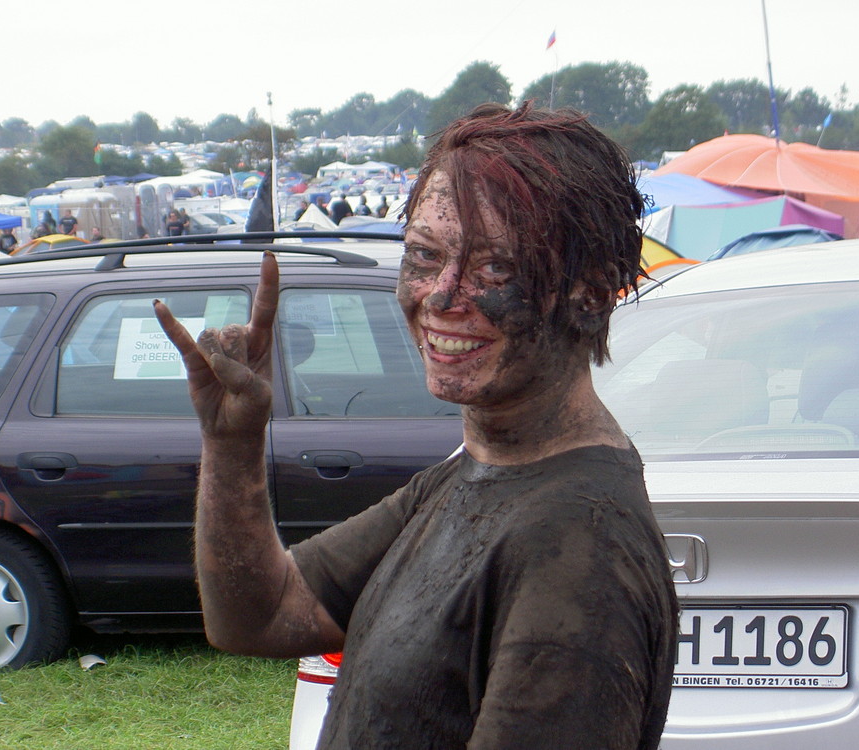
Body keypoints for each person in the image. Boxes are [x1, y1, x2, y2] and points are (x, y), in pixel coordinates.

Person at [153, 102, 678, 749]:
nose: (441, 294)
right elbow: (261, 615)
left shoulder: (579, 552)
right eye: (425, 256)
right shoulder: (470, 477)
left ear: (593, 290)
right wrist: (231, 442)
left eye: (494, 268)